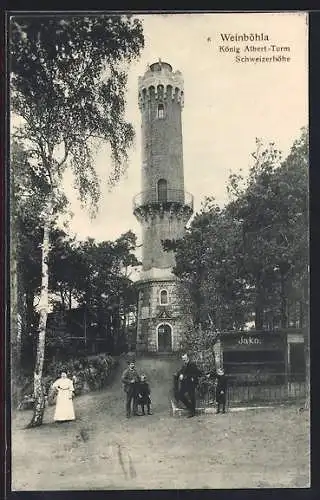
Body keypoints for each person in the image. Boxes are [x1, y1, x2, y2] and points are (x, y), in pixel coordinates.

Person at [176, 353, 202, 418]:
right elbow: (181, 371)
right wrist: (179, 374)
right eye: (183, 358)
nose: (183, 359)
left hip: (191, 384)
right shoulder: (184, 365)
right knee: (180, 395)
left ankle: (192, 412)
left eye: (184, 358)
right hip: (184, 384)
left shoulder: (192, 364)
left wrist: (184, 376)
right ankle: (190, 407)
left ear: (187, 357)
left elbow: (197, 373)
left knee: (192, 397)